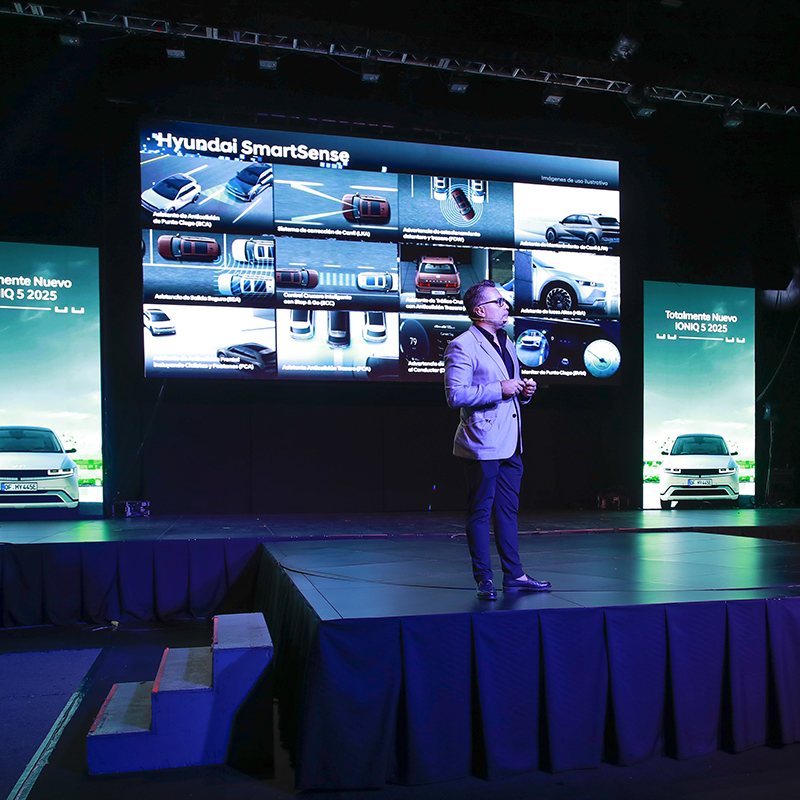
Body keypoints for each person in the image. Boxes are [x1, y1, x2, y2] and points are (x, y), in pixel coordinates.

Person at [444, 279, 551, 600]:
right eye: (499, 302)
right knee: (480, 513)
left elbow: (510, 389)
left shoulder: (507, 341)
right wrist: (500, 389)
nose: (506, 307)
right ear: (479, 311)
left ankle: (515, 575)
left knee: (507, 513)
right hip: (483, 443)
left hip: (511, 443)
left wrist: (524, 392)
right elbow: (455, 395)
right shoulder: (462, 345)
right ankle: (484, 579)